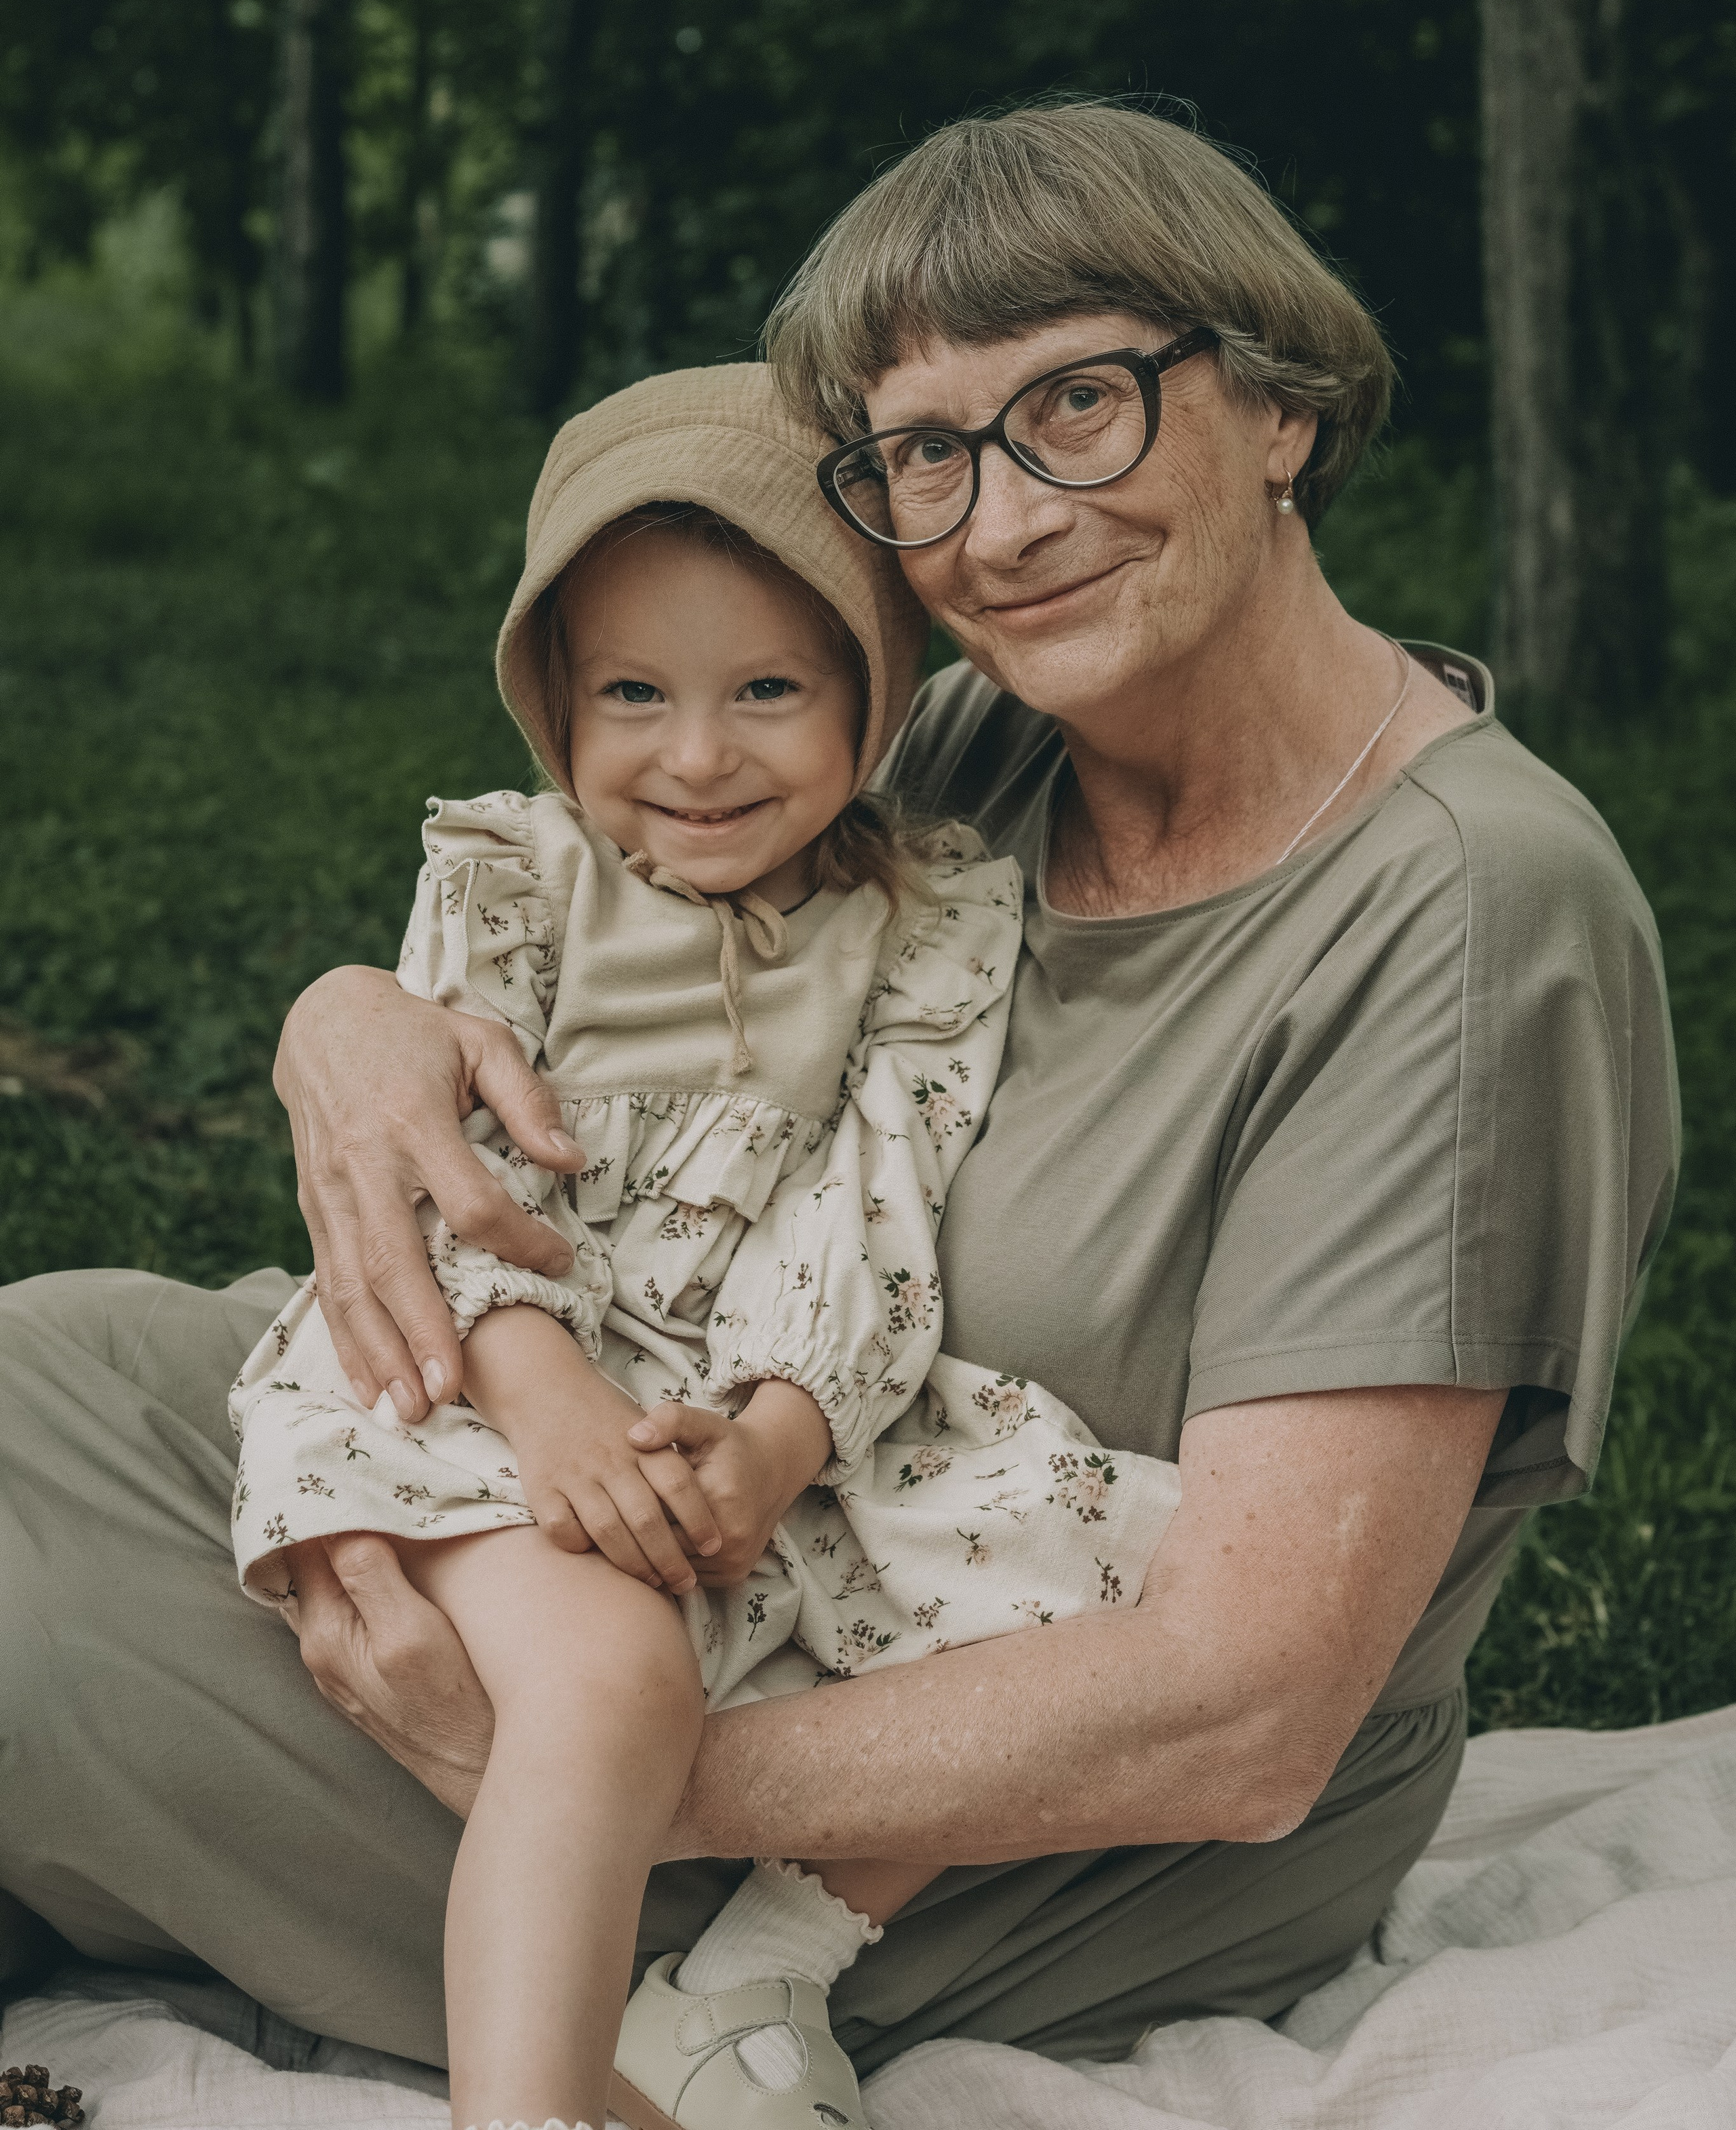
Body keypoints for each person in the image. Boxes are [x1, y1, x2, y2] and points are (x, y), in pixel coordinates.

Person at [0, 101, 1678, 2094]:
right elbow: (574, 894)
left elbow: (1245, 1706)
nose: (1004, 521)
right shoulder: (970, 742)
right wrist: (348, 1017)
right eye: (927, 457)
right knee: (46, 1370)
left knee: (41, 1651)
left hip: (955, 1788)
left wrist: (588, 1767)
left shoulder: (1471, 915)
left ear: (1283, 407)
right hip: (672, 1505)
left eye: (1082, 405)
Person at [226, 366, 1178, 2130]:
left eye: (767, 690)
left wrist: (781, 1434)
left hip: (752, 1388)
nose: (697, 753)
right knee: (610, 1679)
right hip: (485, 1378)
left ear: (871, 698)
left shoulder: (932, 915)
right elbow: (452, 1183)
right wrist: (552, 1402)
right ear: (555, 703)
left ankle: (763, 1958)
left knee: (1101, 1553)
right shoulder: (512, 882)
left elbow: (884, 1190)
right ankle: (530, 2109)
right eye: (633, 694)